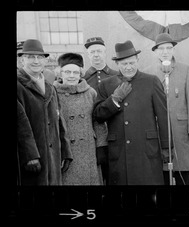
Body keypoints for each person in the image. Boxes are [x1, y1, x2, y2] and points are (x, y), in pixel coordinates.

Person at [92, 40, 170, 185]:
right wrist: (114, 99)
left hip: (146, 150)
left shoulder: (151, 81)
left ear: (137, 60)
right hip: (119, 151)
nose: (128, 67)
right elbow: (98, 115)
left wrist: (167, 147)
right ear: (117, 64)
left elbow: (163, 116)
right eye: (124, 64)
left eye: (131, 63)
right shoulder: (106, 85)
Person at [144, 33, 189, 185]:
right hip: (158, 130)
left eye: (169, 48)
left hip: (182, 130)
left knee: (182, 170)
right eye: (161, 48)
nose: (165, 52)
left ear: (173, 50)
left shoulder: (186, 70)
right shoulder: (149, 73)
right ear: (155, 51)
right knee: (161, 172)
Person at [17, 39, 73, 185]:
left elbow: (59, 121)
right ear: (22, 60)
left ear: (44, 61)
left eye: (40, 57)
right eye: (31, 57)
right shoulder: (18, 86)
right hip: (30, 161)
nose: (36, 61)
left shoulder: (51, 88)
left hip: (53, 159)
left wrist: (66, 152)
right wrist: (30, 155)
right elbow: (20, 124)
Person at [53, 52, 104, 185]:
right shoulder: (52, 93)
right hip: (66, 154)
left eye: (75, 72)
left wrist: (101, 147)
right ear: (60, 73)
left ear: (81, 74)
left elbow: (98, 123)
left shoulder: (90, 92)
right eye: (67, 72)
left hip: (88, 151)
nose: (71, 76)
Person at [84, 36, 118, 185]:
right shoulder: (82, 79)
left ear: (105, 53)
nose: (96, 55)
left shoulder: (117, 76)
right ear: (88, 55)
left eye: (99, 51)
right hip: (92, 135)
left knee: (114, 173)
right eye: (92, 52)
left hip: (115, 130)